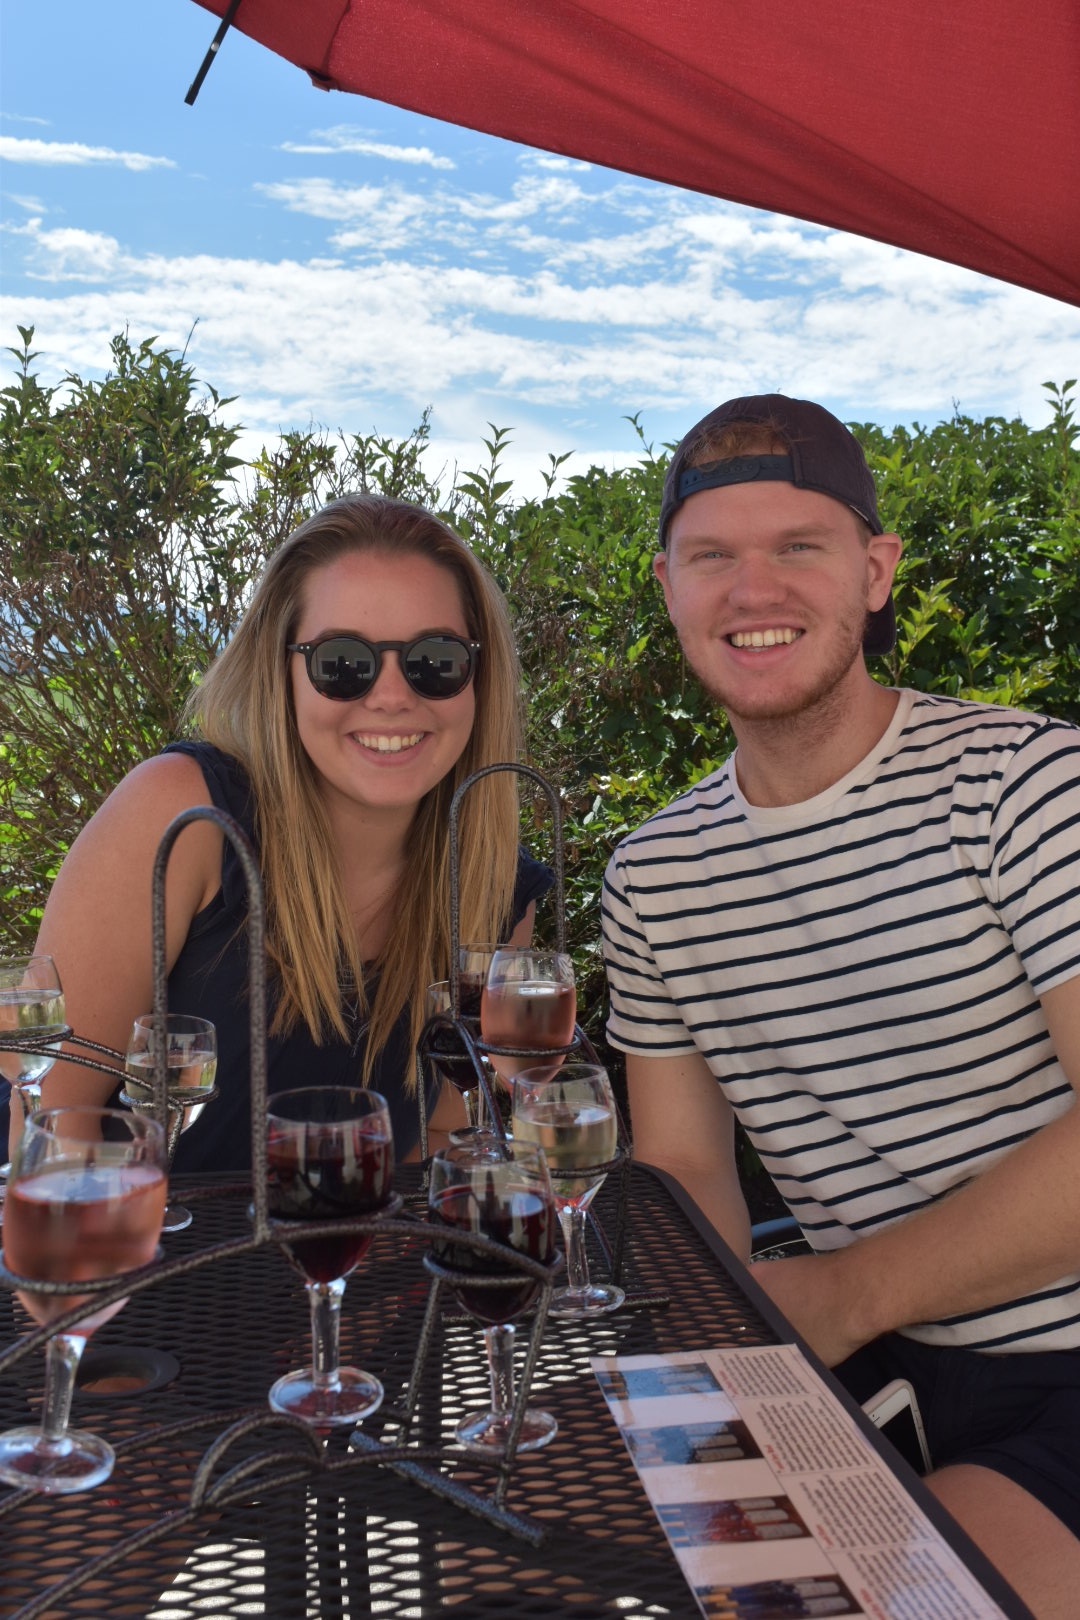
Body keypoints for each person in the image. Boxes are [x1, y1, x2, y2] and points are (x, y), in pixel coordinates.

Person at [601, 394, 1080, 1617]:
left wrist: (839, 1298)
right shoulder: (655, 875)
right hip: (861, 1368)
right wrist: (705, 1356)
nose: (752, 589)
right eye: (712, 555)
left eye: (797, 547)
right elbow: (682, 1168)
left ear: (874, 572)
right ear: (669, 587)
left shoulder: (1024, 785)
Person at [14, 493, 552, 1168]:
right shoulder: (185, 818)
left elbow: (436, 1140)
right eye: (342, 663)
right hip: (132, 1234)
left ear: (479, 678)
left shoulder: (490, 887)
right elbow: (45, 1127)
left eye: (435, 661)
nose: (392, 696)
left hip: (351, 1239)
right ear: (281, 673)